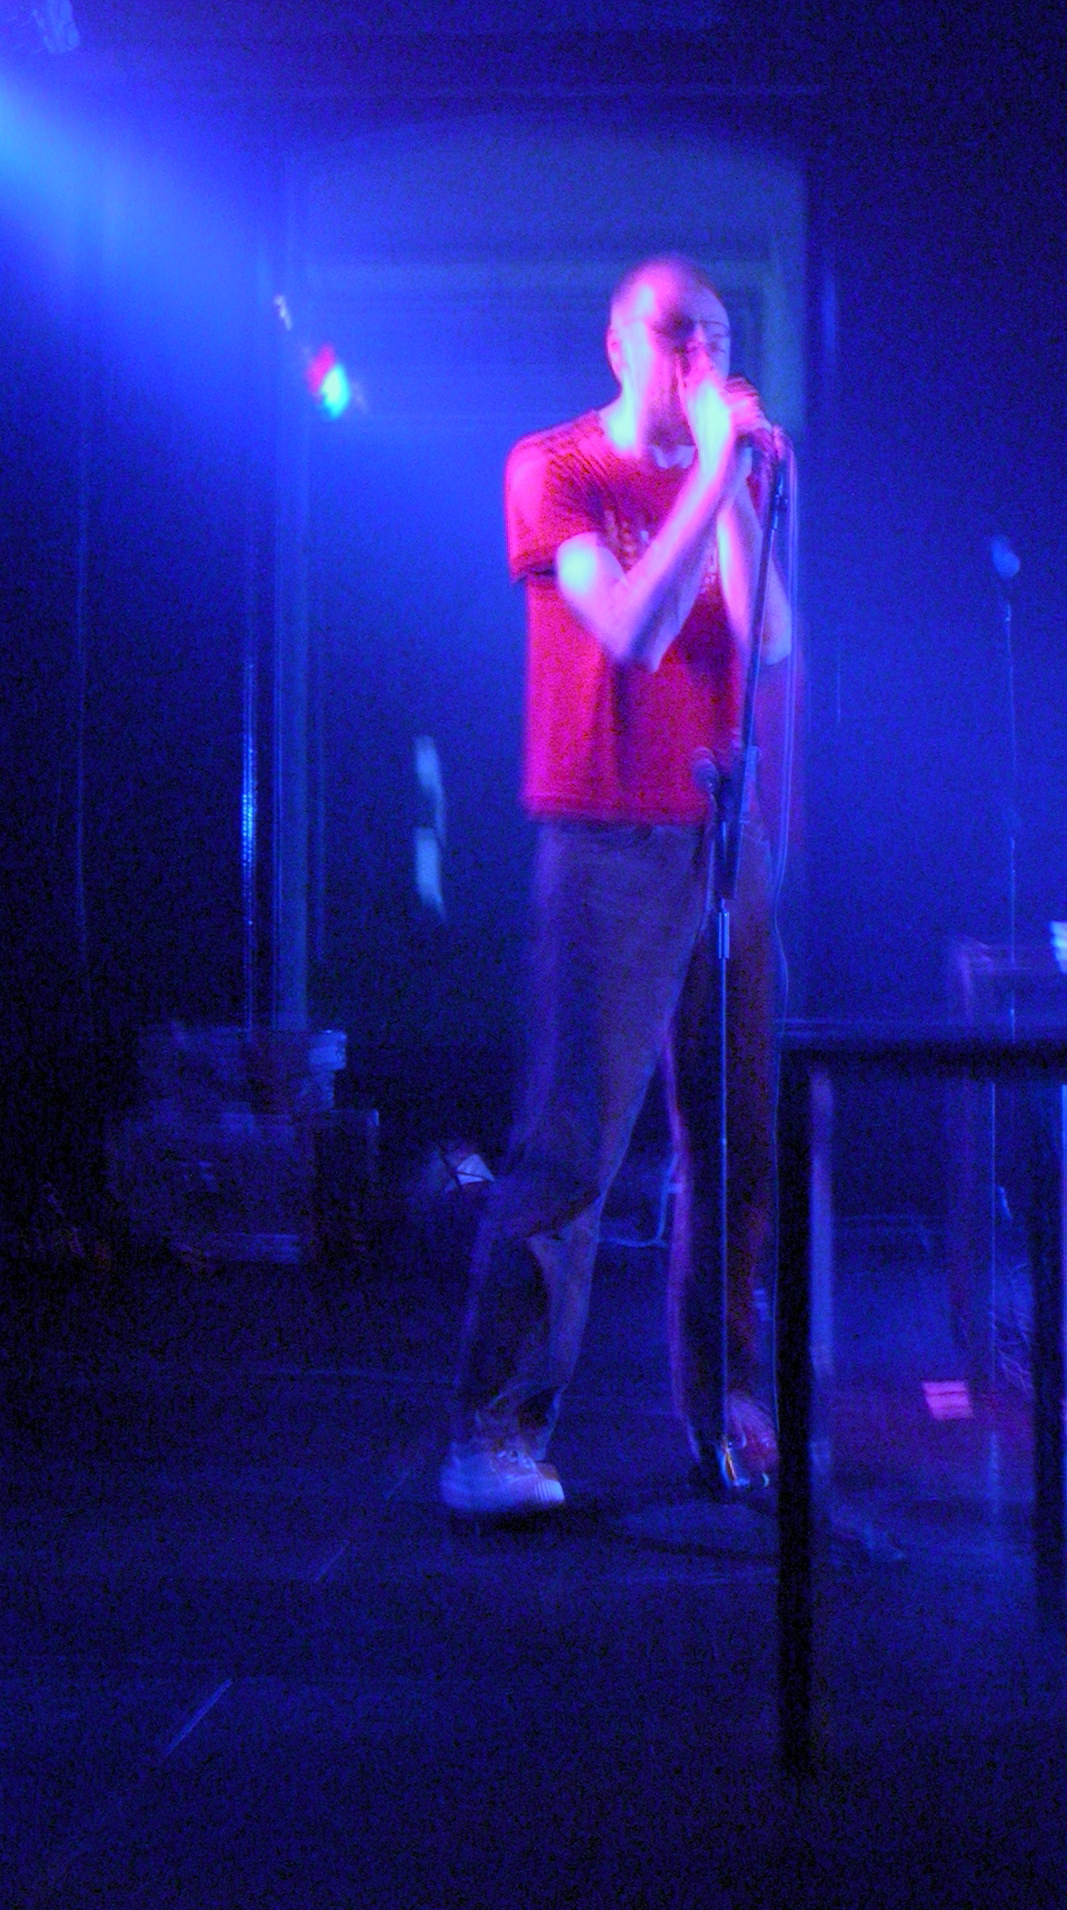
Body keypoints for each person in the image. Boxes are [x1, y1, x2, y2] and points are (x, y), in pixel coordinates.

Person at [441, 256, 792, 1517]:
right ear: (617, 343)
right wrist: (713, 470)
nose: (698, 355)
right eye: (674, 330)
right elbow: (635, 628)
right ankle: (494, 1433)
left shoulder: (726, 476)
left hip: (724, 837)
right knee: (574, 1143)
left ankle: (723, 1408)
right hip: (604, 836)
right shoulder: (556, 468)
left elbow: (772, 637)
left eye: (718, 336)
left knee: (738, 1139)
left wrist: (730, 479)